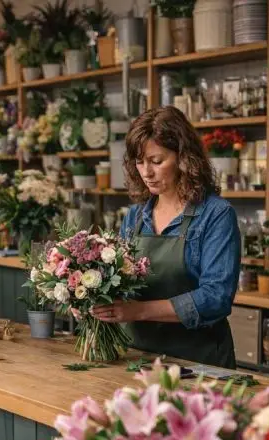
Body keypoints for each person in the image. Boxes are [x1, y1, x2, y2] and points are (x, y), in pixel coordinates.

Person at [91, 106, 241, 368]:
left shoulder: (216, 215)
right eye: (139, 162)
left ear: (184, 158)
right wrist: (89, 299)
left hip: (198, 364)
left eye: (156, 161)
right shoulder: (136, 217)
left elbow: (216, 297)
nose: (146, 172)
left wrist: (138, 311)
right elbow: (118, 284)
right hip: (138, 359)